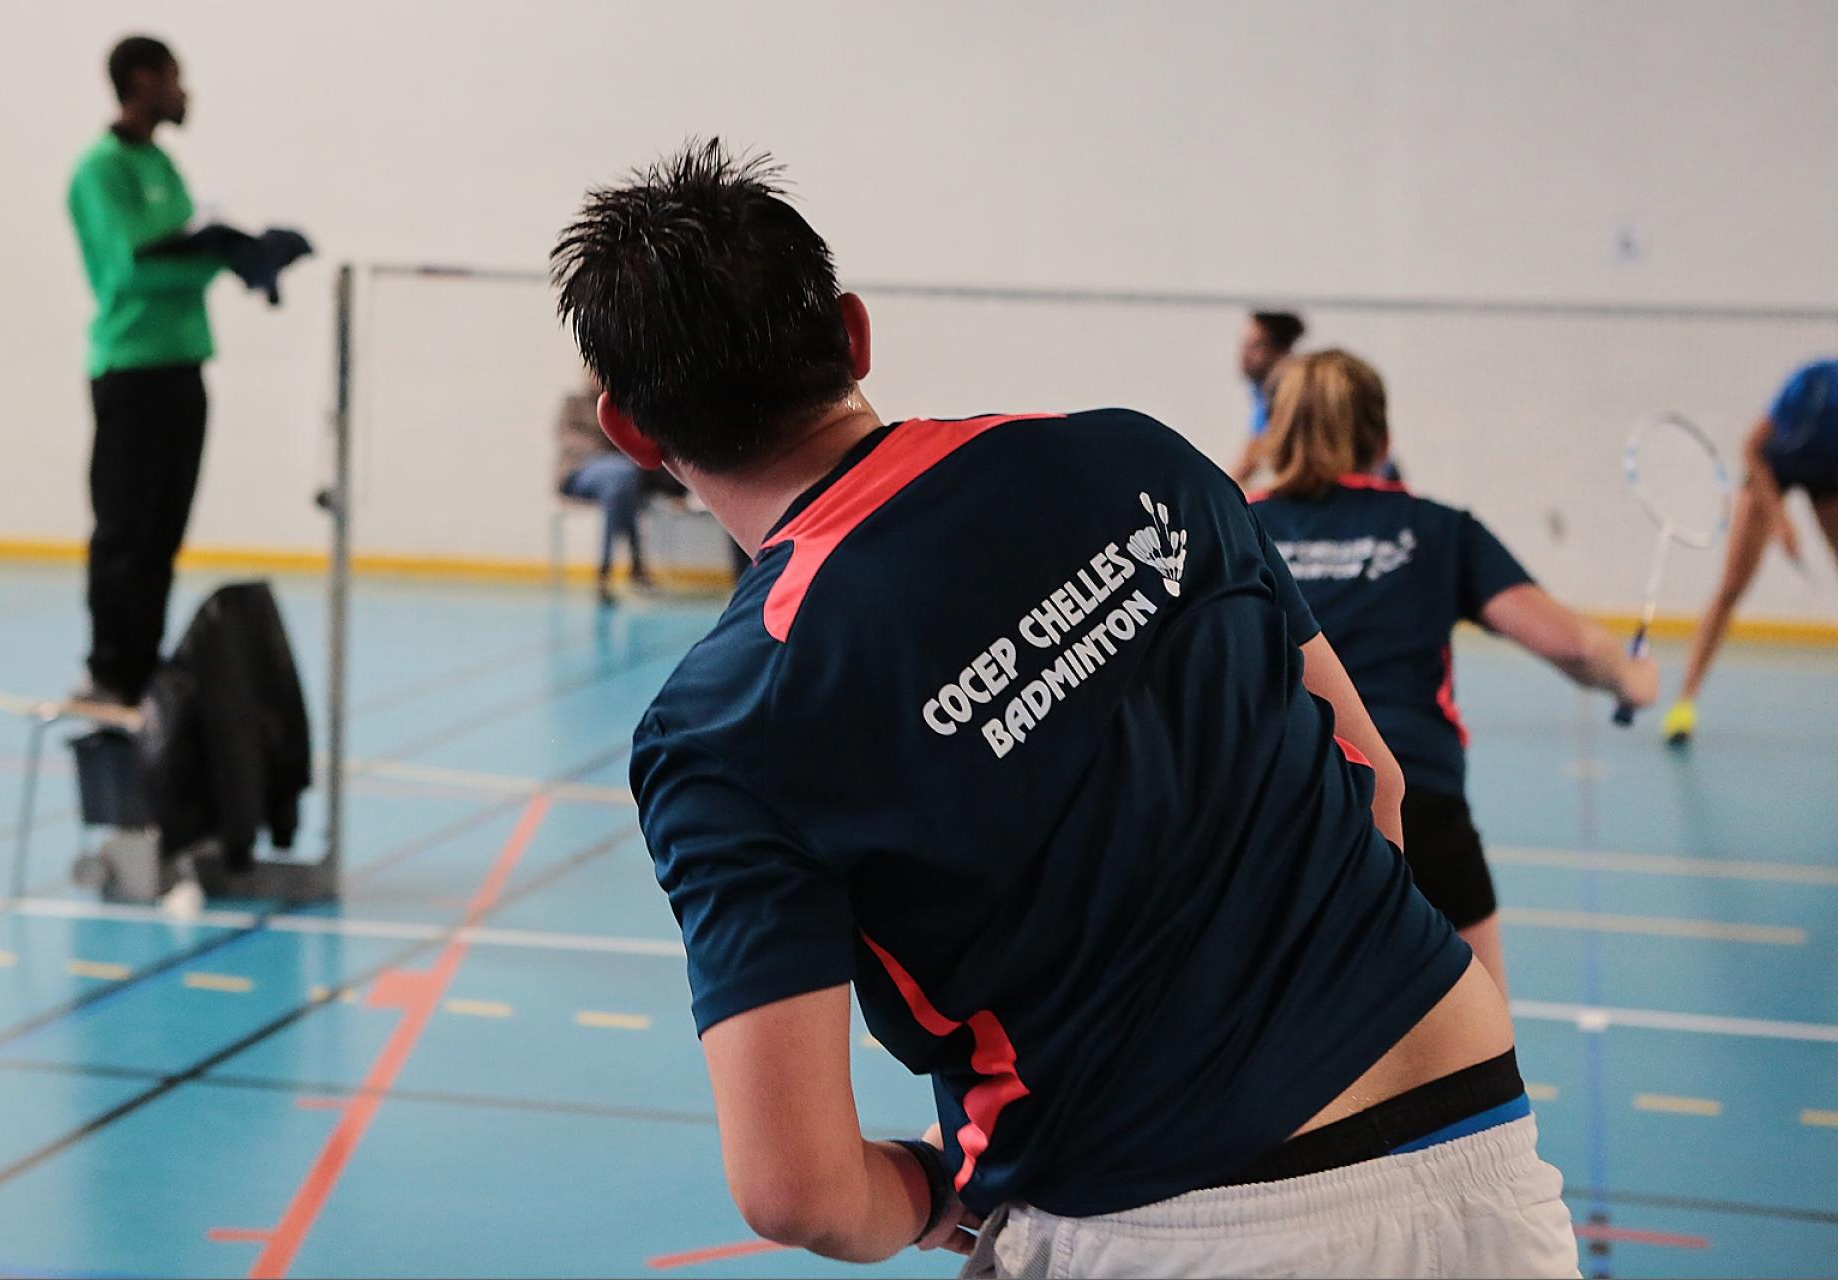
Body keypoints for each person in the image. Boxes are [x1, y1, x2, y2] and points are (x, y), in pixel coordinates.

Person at [552, 140, 1576, 1277]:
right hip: (1481, 1139)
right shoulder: (1138, 458)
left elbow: (797, 1190)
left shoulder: (726, 720)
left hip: (1177, 1223)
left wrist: (933, 1196)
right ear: (852, 332)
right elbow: (1373, 777)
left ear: (632, 432)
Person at [1250, 350, 1658, 993]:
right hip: (1418, 805)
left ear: (1275, 434)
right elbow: (1575, 646)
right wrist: (1632, 680)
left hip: (1275, 814)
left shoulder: (1236, 530)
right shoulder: (1436, 528)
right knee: (1482, 1039)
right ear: (1384, 441)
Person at [66, 36, 305, 704]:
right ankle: (109, 669)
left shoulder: (163, 163)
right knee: (125, 527)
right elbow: (132, 268)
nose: (184, 92)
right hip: (131, 366)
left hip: (183, 366)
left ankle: (142, 667)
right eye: (174, 78)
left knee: (164, 529)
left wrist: (242, 254)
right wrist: (216, 254)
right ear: (142, 81)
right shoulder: (100, 169)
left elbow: (184, 249)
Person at [1664, 358, 1838, 744]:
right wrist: (1779, 519)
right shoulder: (1812, 383)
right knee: (1731, 587)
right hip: (1770, 472)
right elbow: (1750, 448)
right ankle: (1683, 703)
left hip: (1828, 479)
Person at [557, 385, 659, 603]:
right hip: (579, 471)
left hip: (618, 478)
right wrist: (608, 450)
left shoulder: (622, 406)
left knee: (618, 487)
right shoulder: (574, 403)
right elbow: (570, 440)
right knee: (622, 475)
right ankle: (636, 564)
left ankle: (605, 571)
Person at [1225, 310, 1305, 487]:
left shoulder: (1285, 388)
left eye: (1254, 346)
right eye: (1243, 345)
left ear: (1280, 351)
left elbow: (1249, 460)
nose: (1244, 355)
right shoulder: (1263, 388)